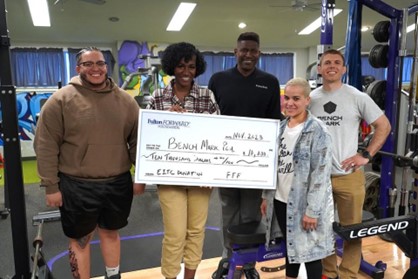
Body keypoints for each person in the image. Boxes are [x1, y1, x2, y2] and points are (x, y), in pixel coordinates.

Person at [34, 47, 145, 279]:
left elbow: (138, 142)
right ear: (78, 68)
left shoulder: (126, 101)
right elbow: (45, 145)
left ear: (107, 67)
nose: (95, 68)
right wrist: (51, 186)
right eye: (88, 64)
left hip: (117, 182)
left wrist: (141, 176)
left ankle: (113, 276)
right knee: (80, 239)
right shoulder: (61, 100)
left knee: (111, 233)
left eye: (100, 63)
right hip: (77, 184)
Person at [309, 49, 391, 279]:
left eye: (337, 62)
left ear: (344, 69)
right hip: (319, 176)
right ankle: (328, 272)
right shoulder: (311, 99)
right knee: (322, 227)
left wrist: (366, 154)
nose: (332, 66)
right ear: (319, 68)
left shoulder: (358, 97)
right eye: (327, 62)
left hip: (349, 174)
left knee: (352, 229)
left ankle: (348, 274)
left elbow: (383, 126)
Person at [208, 31, 283, 279]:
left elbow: (275, 123)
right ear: (235, 52)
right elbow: (209, 120)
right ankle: (228, 258)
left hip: (256, 163)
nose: (248, 54)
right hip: (226, 160)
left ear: (259, 53)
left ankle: (248, 263)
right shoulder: (218, 79)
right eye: (244, 50)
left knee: (251, 214)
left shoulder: (270, 82)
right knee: (228, 211)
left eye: (253, 50)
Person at [146, 42, 220, 279]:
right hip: (169, 178)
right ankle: (170, 276)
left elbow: (217, 135)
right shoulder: (158, 97)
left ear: (197, 68)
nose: (186, 71)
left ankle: (190, 276)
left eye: (191, 66)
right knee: (175, 233)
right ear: (172, 67)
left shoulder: (206, 95)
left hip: (201, 178)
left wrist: (210, 173)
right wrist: (167, 120)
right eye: (180, 66)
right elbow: (148, 135)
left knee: (196, 231)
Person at [261, 77, 335, 279]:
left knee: (311, 254)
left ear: (307, 100)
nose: (290, 103)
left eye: (296, 98)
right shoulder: (280, 128)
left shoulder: (318, 131)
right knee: (290, 246)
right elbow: (272, 167)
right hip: (281, 199)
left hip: (305, 203)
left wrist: (312, 210)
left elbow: (320, 175)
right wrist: (266, 196)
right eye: (287, 98)